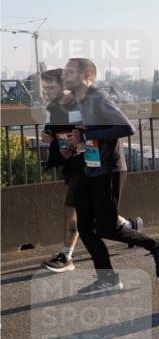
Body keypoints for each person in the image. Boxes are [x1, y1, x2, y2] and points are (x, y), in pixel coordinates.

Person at [62, 58, 159, 294]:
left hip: (108, 170)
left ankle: (157, 245)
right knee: (85, 226)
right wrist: (79, 138)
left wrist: (87, 135)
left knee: (107, 228)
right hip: (91, 167)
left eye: (70, 72)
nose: (65, 76)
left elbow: (126, 127)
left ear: (87, 76)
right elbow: (96, 132)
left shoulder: (98, 97)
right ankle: (108, 279)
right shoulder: (82, 100)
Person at [38, 69, 143, 272]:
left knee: (72, 213)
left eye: (50, 87)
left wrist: (81, 138)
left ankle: (67, 257)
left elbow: (102, 129)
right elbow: (49, 130)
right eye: (45, 88)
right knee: (94, 213)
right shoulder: (52, 107)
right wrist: (48, 136)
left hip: (88, 164)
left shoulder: (84, 103)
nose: (47, 91)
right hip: (70, 164)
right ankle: (130, 227)